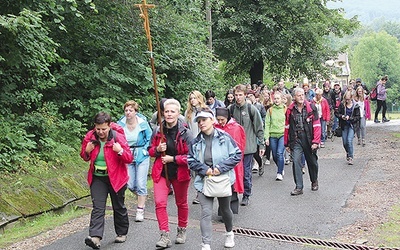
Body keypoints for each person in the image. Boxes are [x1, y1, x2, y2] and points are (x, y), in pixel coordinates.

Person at [188, 108, 241, 250]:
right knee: (206, 212)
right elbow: (190, 160)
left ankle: (229, 233)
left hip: (223, 180)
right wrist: (205, 170)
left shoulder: (225, 137)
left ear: (212, 120)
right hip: (203, 181)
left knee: (225, 210)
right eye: (199, 121)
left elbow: (237, 155)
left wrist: (220, 168)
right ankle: (206, 243)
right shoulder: (195, 142)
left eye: (204, 120)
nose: (201, 123)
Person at [80, 112, 133, 249]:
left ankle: (121, 232)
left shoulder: (117, 137)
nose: (101, 132)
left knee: (118, 206)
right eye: (98, 129)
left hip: (116, 178)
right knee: (98, 207)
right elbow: (85, 157)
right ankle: (95, 238)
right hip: (98, 177)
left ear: (109, 126)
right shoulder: (90, 137)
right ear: (94, 127)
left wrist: (120, 151)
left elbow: (129, 158)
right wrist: (86, 151)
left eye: (104, 129)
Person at [148, 99, 194, 249]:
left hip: (180, 173)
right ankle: (164, 234)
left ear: (178, 113)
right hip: (161, 172)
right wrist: (157, 150)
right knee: (160, 203)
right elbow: (150, 150)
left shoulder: (186, 133)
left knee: (181, 203)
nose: (169, 114)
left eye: (172, 111)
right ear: (163, 113)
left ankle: (181, 230)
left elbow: (192, 157)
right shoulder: (157, 130)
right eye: (166, 111)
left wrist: (173, 158)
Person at [229, 84, 265, 206]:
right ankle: (233, 194)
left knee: (246, 172)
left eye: (240, 95)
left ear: (245, 95)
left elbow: (259, 128)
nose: (238, 97)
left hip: (248, 147)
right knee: (233, 172)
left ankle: (246, 194)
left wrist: (261, 145)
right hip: (233, 147)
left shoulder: (251, 109)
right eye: (236, 95)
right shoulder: (231, 109)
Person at [117, 100, 152, 222]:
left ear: (135, 112)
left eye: (130, 110)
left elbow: (150, 138)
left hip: (141, 155)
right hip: (127, 155)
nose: (128, 113)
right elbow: (116, 138)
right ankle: (142, 197)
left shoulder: (143, 123)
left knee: (141, 184)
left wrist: (146, 151)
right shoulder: (120, 124)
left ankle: (140, 209)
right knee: (130, 184)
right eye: (126, 110)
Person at [284, 88, 321, 196]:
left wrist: (316, 141)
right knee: (296, 161)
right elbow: (287, 127)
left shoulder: (311, 108)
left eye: (302, 95)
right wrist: (286, 143)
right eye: (298, 95)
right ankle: (299, 187)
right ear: (294, 97)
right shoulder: (290, 110)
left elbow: (317, 126)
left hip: (309, 138)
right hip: (296, 138)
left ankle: (314, 180)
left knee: (312, 162)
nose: (301, 97)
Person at [215, 107, 245, 214]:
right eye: (218, 119)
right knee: (221, 185)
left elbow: (240, 145)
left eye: (222, 119)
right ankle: (222, 210)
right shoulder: (216, 128)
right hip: (220, 161)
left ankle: (231, 209)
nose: (220, 122)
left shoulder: (236, 128)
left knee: (232, 185)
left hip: (232, 161)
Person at [264, 92, 286, 181]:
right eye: (275, 98)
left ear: (281, 99)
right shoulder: (270, 110)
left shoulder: (285, 109)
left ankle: (279, 172)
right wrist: (266, 137)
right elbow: (267, 124)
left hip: (282, 134)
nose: (276, 100)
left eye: (278, 98)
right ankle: (281, 165)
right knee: (274, 155)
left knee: (279, 153)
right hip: (272, 135)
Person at [335, 90, 360, 165]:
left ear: (351, 98)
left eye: (348, 99)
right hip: (344, 125)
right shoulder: (342, 105)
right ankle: (348, 152)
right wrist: (342, 116)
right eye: (346, 99)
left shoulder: (356, 106)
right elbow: (336, 113)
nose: (347, 100)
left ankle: (350, 157)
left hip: (352, 126)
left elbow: (358, 117)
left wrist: (350, 118)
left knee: (349, 140)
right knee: (345, 142)